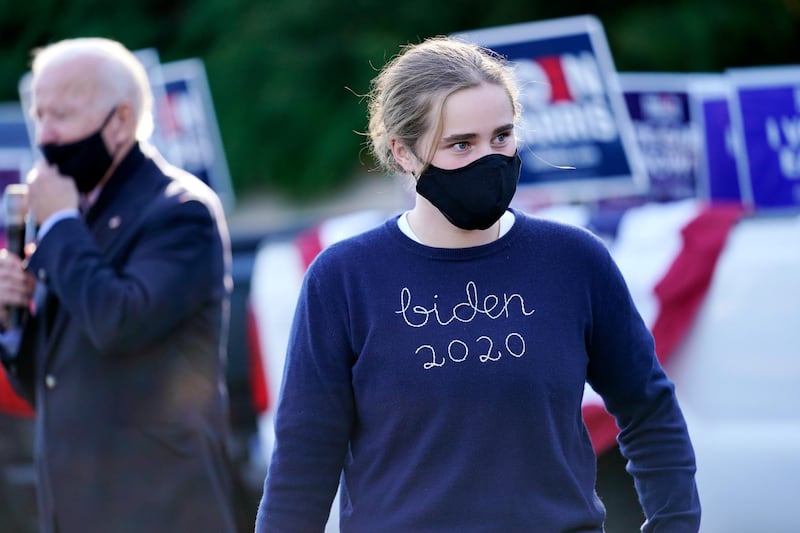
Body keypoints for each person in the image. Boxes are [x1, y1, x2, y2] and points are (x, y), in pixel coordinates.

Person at [255, 35, 701, 532]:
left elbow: (649, 408)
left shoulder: (574, 260)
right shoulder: (343, 278)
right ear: (403, 153)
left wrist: (675, 524)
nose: (488, 159)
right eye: (461, 144)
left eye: (502, 137)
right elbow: (303, 460)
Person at [0, 38, 237, 533]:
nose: (45, 135)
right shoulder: (72, 217)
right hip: (75, 510)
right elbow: (50, 384)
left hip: (162, 508)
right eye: (38, 115)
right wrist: (11, 320)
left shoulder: (179, 211)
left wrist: (61, 222)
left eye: (61, 115)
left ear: (122, 120)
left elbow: (120, 324)